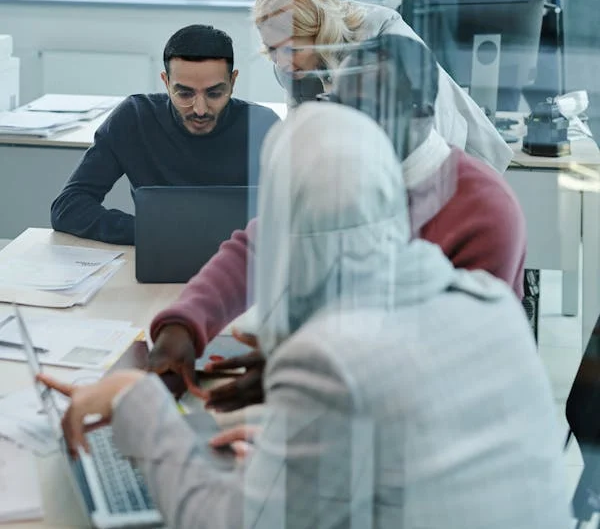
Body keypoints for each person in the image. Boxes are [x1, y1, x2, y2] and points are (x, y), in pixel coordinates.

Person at [39, 105, 570, 529]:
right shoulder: (490, 300)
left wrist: (136, 402)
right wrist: (299, 462)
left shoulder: (331, 360)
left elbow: (222, 522)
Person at [146, 33, 526, 412]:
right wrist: (184, 325)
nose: (344, 124)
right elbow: (259, 248)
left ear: (423, 115)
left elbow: (449, 357)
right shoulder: (346, 170)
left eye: (366, 109)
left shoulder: (486, 210)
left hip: (445, 419)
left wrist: (306, 373)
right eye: (337, 105)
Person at [252, 0, 512, 173]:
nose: (282, 62)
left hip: (444, 159)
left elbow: (426, 135)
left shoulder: (383, 36)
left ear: (321, 32)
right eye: (272, 49)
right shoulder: (290, 67)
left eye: (292, 50)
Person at [50, 25, 279, 244]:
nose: (200, 109)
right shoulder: (135, 118)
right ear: (166, 82)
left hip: (242, 264)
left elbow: (295, 217)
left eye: (214, 93)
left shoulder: (263, 126)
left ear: (233, 81)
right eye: (185, 93)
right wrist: (151, 232)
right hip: (158, 256)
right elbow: (69, 207)